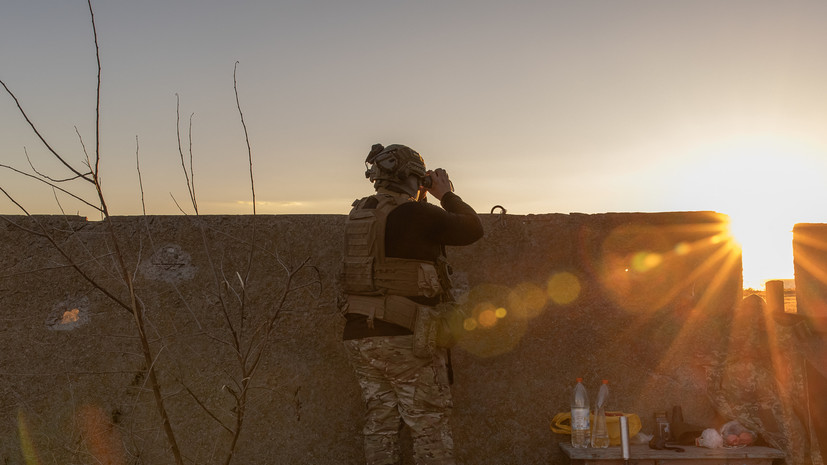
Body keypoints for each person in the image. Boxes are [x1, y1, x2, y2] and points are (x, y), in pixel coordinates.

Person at [340, 143, 483, 465]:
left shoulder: (360, 214)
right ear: (412, 178)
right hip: (406, 336)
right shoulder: (416, 213)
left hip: (361, 335)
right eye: (420, 180)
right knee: (429, 426)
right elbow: (472, 228)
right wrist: (445, 194)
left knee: (380, 426)